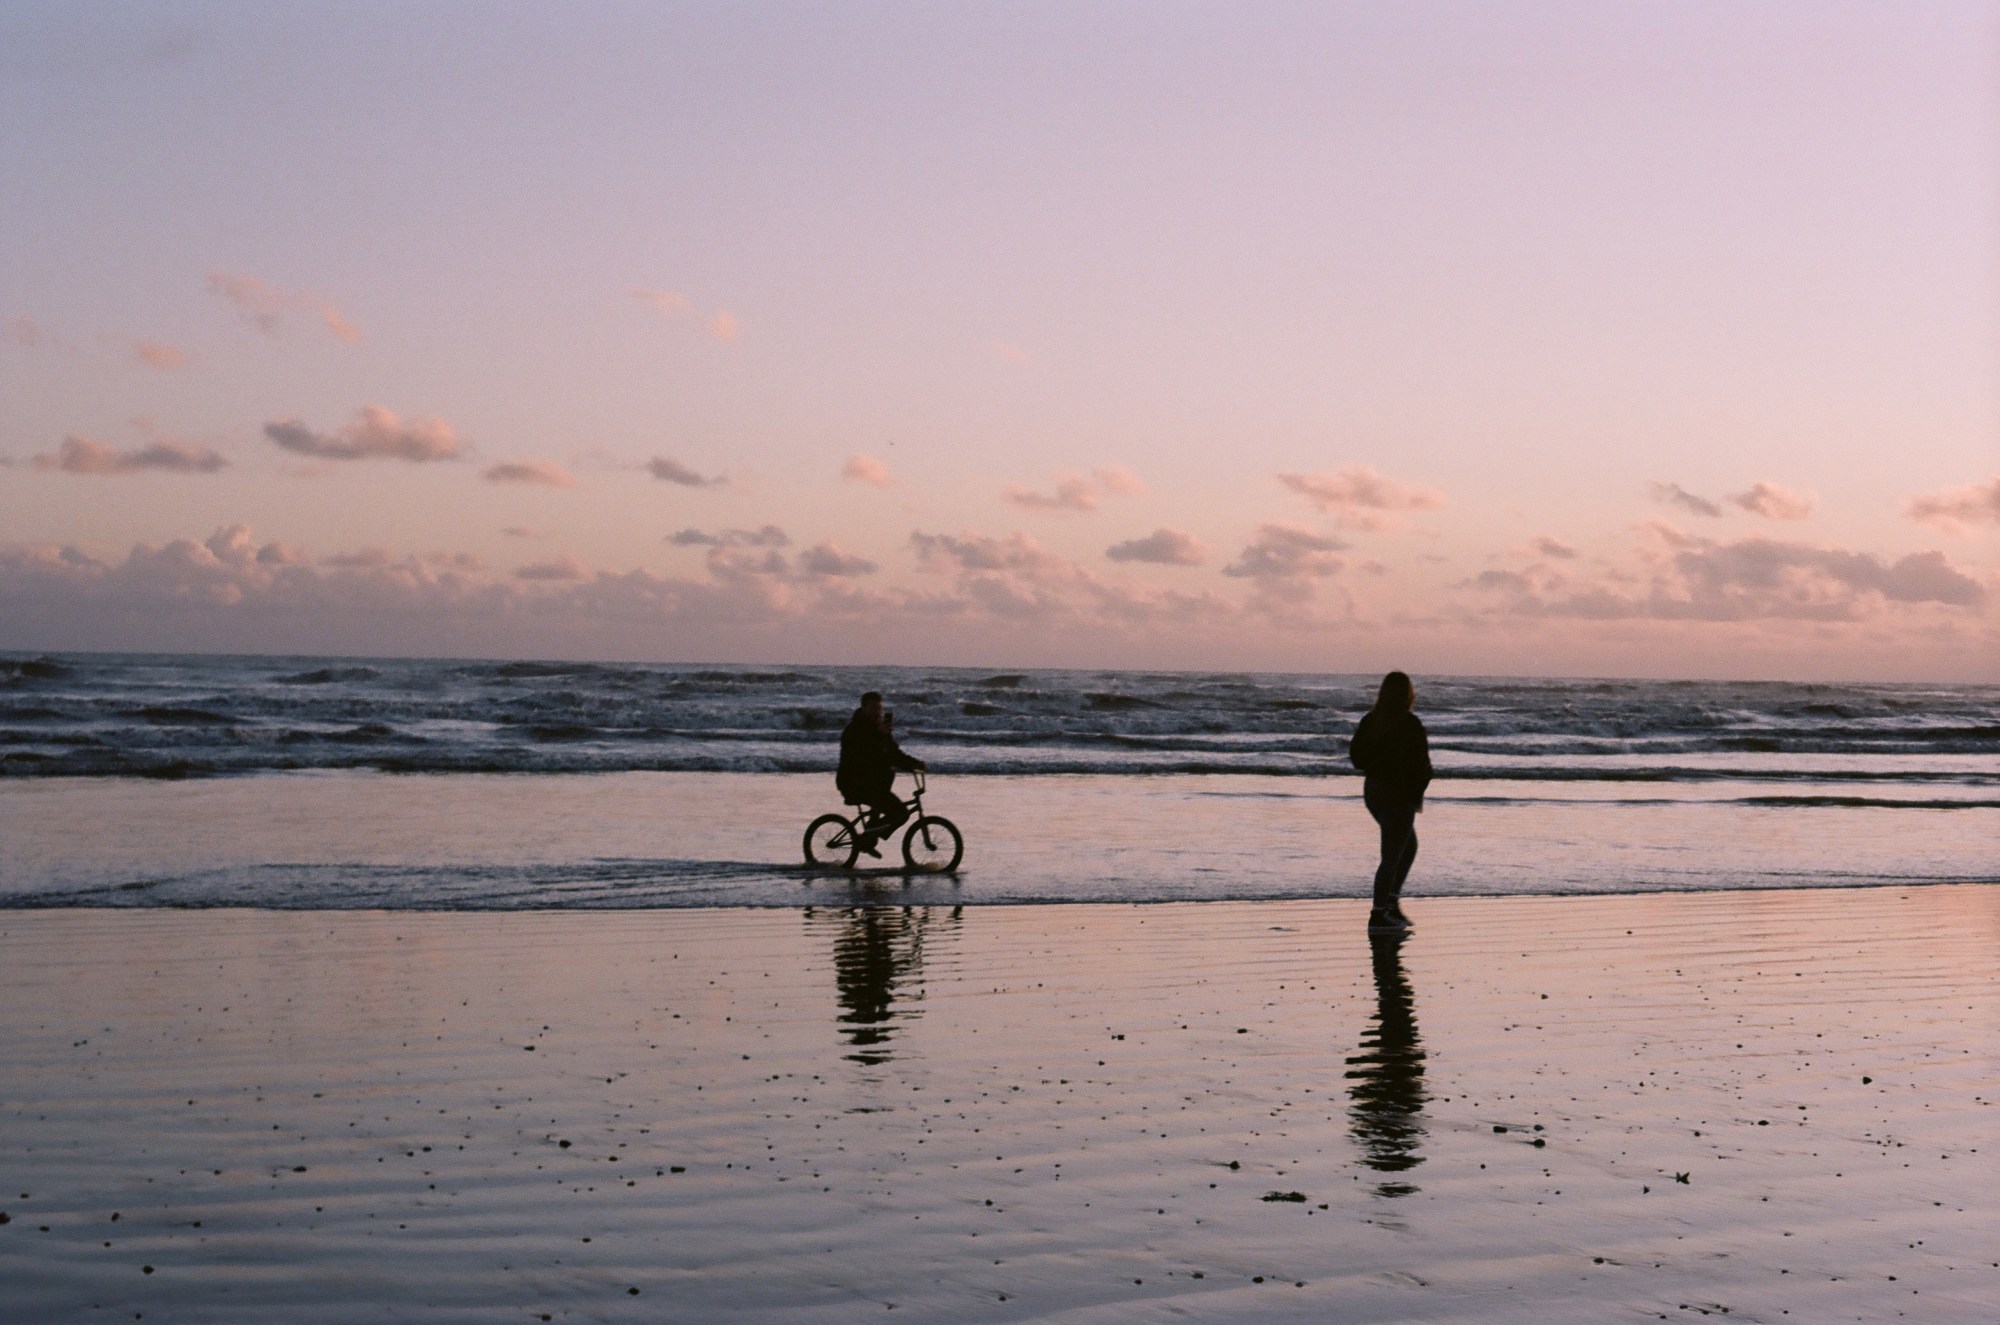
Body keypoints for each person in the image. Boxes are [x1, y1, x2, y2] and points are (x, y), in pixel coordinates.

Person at [1348, 670, 1432, 931]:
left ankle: (1390, 903)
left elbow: (1356, 758)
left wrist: (1379, 766)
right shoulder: (1409, 723)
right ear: (1408, 694)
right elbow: (1423, 766)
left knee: (1406, 847)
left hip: (1374, 790)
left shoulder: (1372, 720)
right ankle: (1379, 912)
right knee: (1392, 855)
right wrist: (1415, 794)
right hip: (1399, 793)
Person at [836, 691, 926, 858]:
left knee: (897, 811)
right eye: (872, 708)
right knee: (901, 813)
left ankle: (869, 836)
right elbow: (865, 754)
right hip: (854, 783)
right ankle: (868, 836)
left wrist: (914, 764)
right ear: (862, 708)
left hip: (873, 783)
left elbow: (893, 754)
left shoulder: (879, 731)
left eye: (879, 708)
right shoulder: (854, 730)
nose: (877, 712)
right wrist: (879, 735)